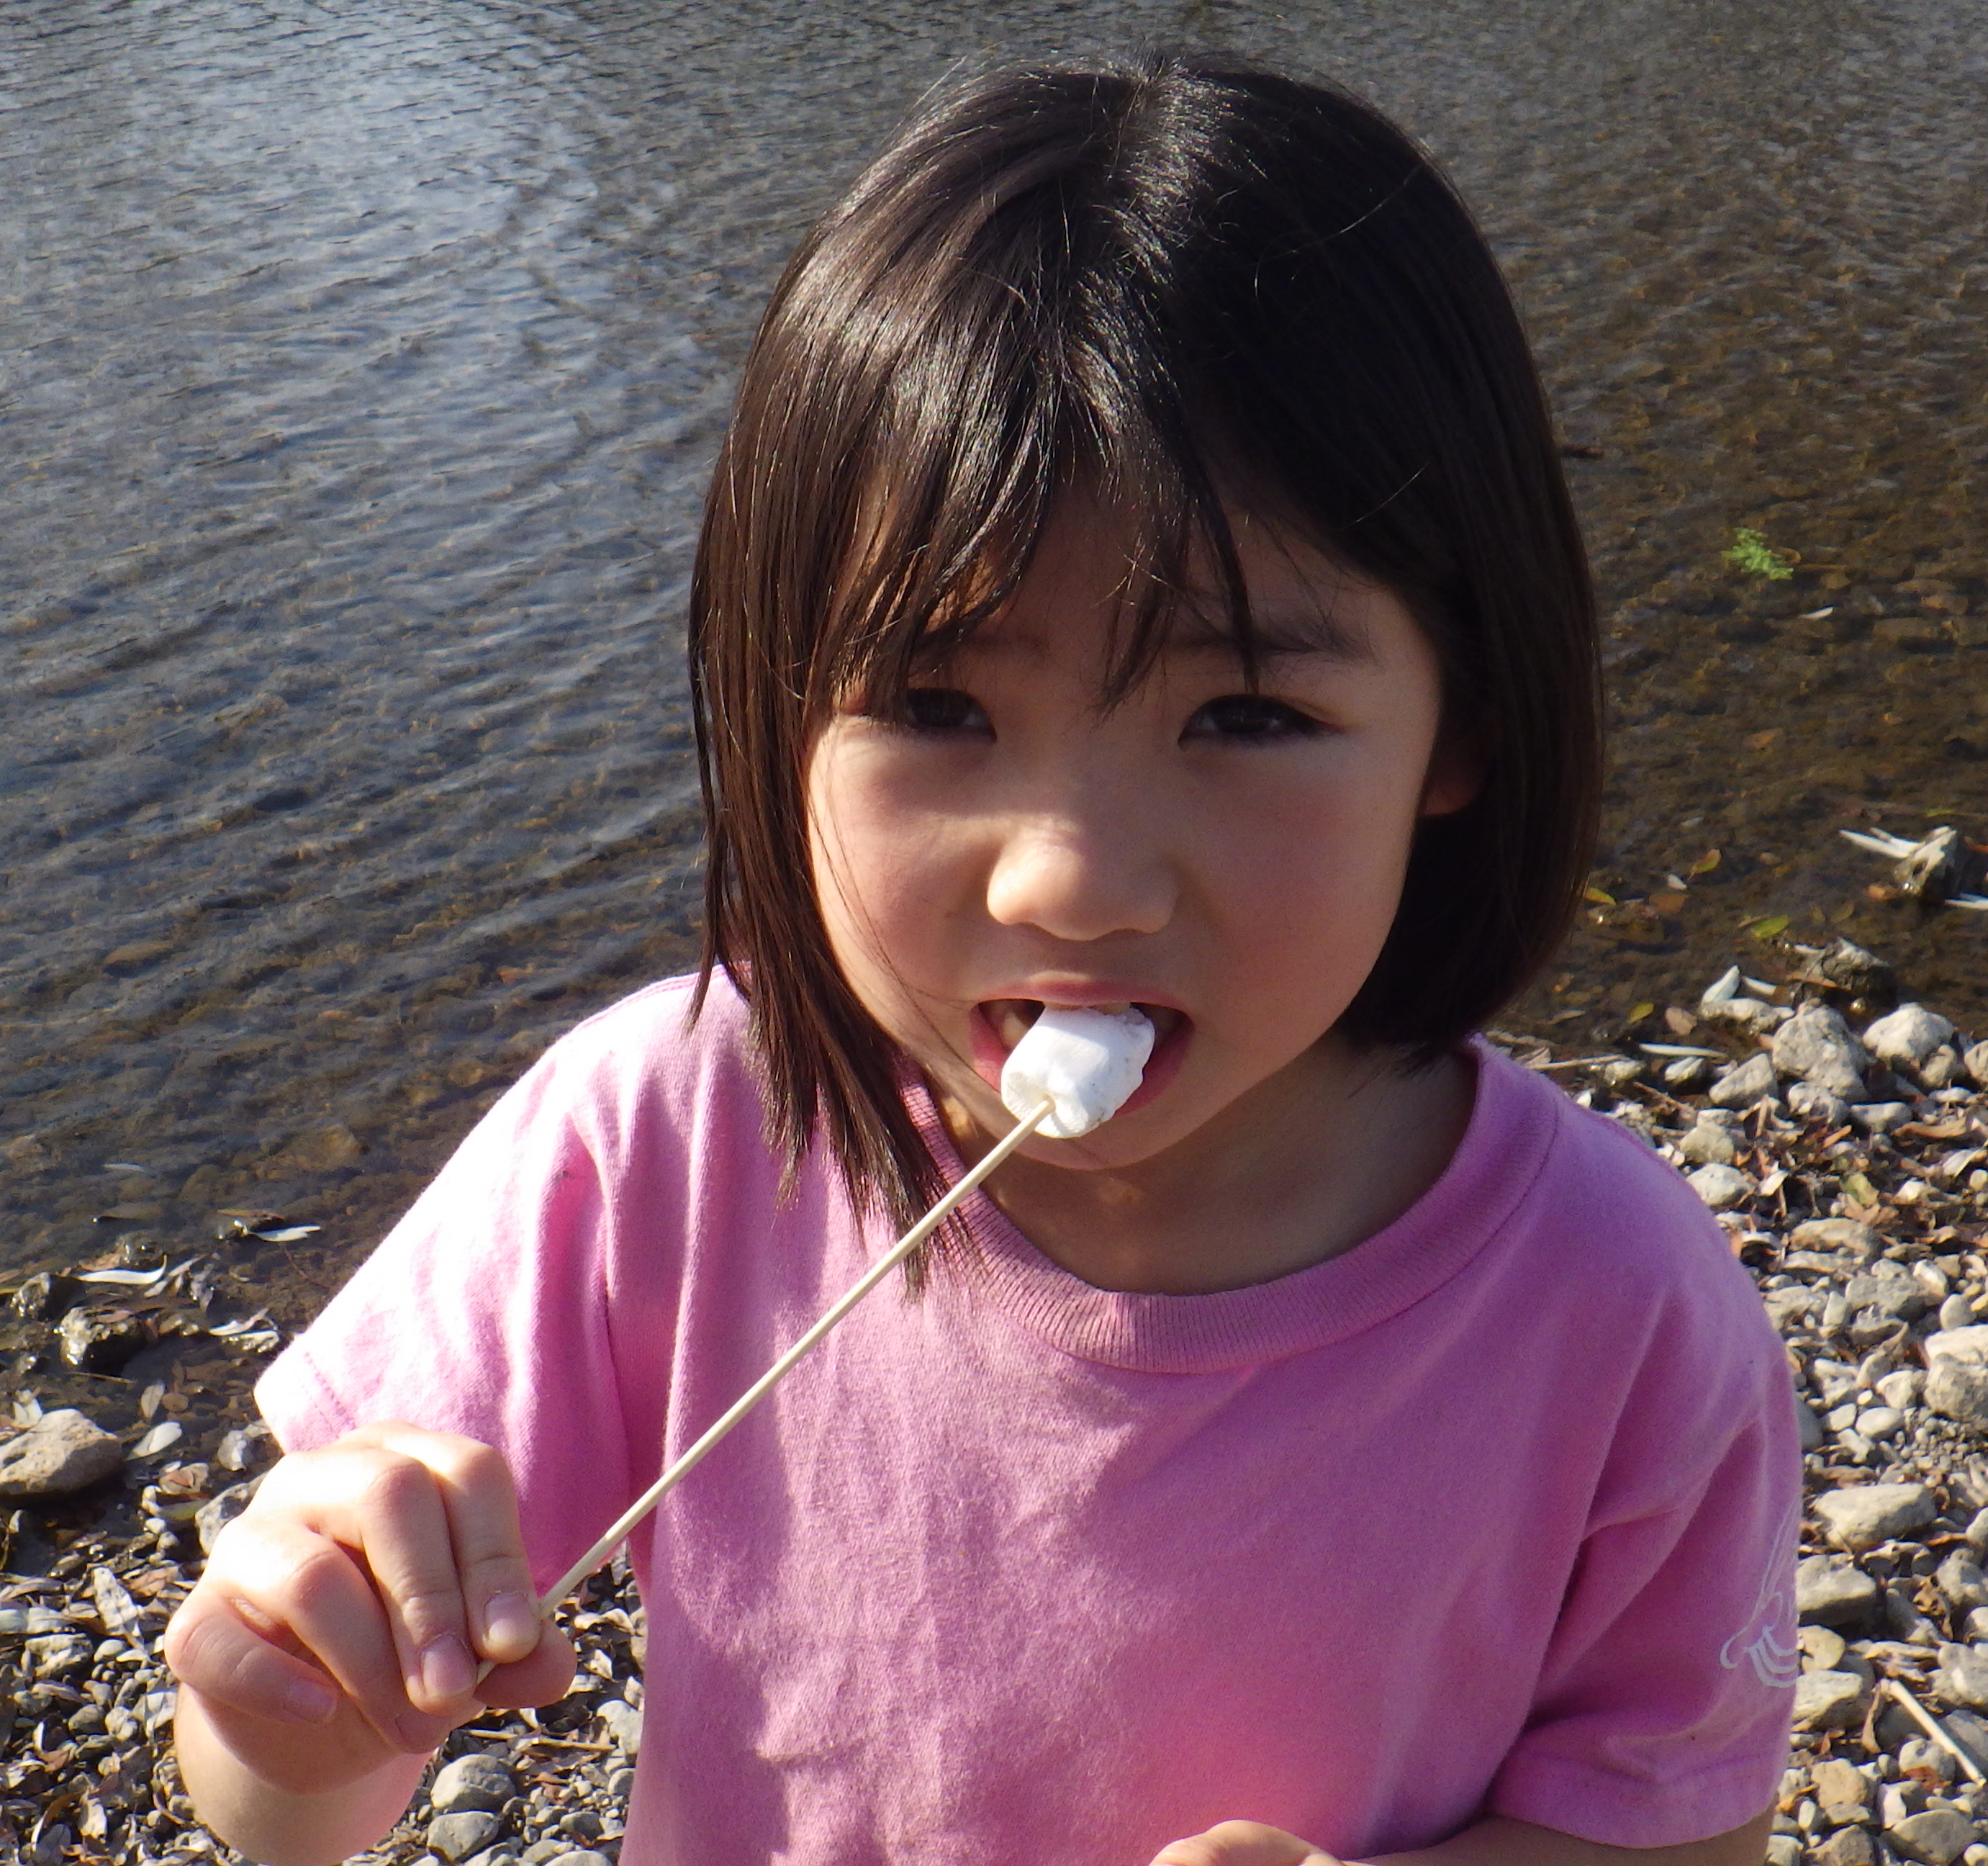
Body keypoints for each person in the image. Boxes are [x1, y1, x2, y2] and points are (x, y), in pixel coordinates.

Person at [165, 50, 1800, 1866]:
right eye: (938, 705)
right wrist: (290, 1691)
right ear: (780, 715)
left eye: (1246, 714)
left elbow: (1676, 1834)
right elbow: (281, 1810)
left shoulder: (1620, 1311)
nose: (1074, 880)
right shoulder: (669, 1142)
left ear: (1463, 729)